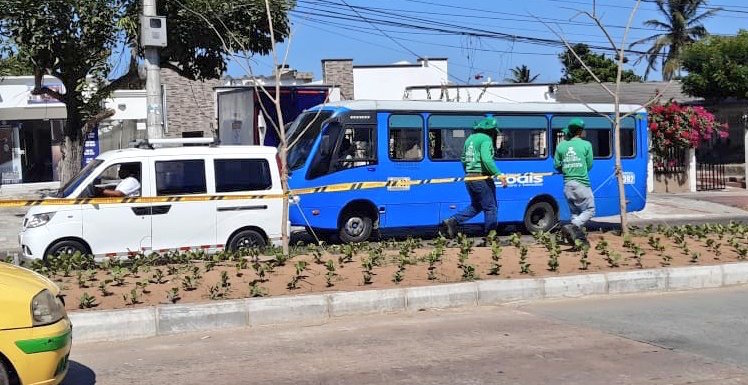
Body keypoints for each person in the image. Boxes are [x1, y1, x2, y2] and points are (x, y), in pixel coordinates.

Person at [442, 117, 507, 238]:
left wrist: (470, 173)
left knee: (477, 206)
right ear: (491, 131)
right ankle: (490, 236)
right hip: (481, 178)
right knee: (491, 208)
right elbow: (487, 160)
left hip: (469, 178)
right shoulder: (486, 139)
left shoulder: (470, 139)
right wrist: (499, 174)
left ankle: (453, 221)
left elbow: (463, 159)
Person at [554, 118, 595, 244]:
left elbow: (556, 166)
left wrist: (567, 169)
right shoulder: (586, 145)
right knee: (590, 210)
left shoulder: (561, 146)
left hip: (567, 185)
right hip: (582, 184)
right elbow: (589, 165)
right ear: (581, 131)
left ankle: (576, 241)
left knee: (575, 213)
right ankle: (572, 227)